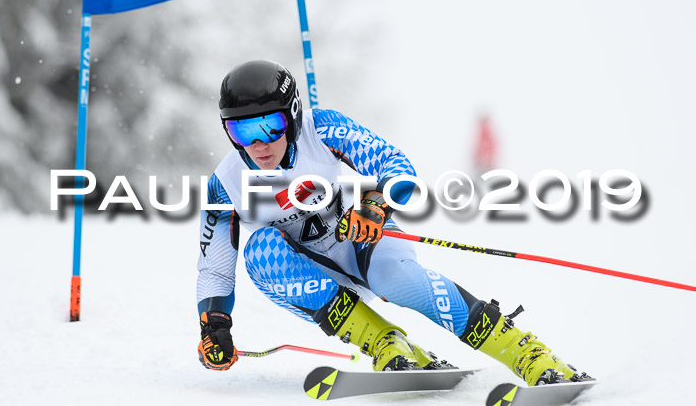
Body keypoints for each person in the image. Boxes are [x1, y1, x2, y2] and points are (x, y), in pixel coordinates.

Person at [195, 60, 590, 385]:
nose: (259, 143)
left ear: (293, 115)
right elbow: (214, 267)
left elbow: (397, 167)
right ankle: (386, 343)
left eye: (270, 126)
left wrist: (376, 203)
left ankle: (525, 353)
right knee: (259, 250)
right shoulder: (226, 183)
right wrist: (214, 323)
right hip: (309, 278)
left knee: (395, 281)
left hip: (361, 239)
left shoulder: (323, 128)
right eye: (241, 129)